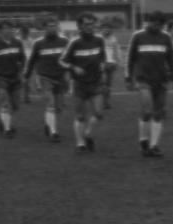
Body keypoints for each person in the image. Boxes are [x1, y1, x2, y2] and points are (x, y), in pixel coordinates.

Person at [127, 10, 173, 157]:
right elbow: (130, 58)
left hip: (161, 80)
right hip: (143, 79)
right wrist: (128, 78)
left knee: (159, 113)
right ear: (148, 22)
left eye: (159, 24)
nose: (156, 26)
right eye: (153, 22)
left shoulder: (166, 37)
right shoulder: (138, 36)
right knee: (147, 110)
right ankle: (143, 140)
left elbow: (171, 59)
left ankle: (154, 145)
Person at [60, 12, 107, 153]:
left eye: (92, 23)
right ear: (80, 26)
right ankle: (80, 143)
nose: (90, 26)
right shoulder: (74, 42)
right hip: (79, 84)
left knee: (98, 113)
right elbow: (61, 61)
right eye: (87, 24)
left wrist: (103, 66)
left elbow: (103, 57)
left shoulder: (99, 40)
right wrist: (74, 67)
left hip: (96, 82)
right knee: (80, 116)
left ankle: (87, 134)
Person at [25, 17, 70, 143]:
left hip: (60, 78)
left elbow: (70, 58)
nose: (52, 28)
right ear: (44, 28)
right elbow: (31, 60)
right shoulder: (37, 43)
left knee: (58, 107)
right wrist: (27, 75)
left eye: (54, 25)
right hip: (45, 77)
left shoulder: (64, 41)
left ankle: (48, 122)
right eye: (50, 26)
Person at [0, 21, 27, 138]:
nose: (8, 30)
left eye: (10, 28)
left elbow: (23, 59)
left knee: (14, 104)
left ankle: (1, 117)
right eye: (5, 28)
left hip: (14, 77)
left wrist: (22, 70)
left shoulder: (17, 42)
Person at [99, 25, 123, 110]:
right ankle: (105, 101)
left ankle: (106, 99)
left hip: (111, 64)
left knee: (108, 84)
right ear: (102, 30)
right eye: (104, 29)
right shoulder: (98, 39)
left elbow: (117, 50)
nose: (106, 30)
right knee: (104, 82)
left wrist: (118, 61)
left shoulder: (114, 39)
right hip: (102, 64)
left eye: (108, 29)